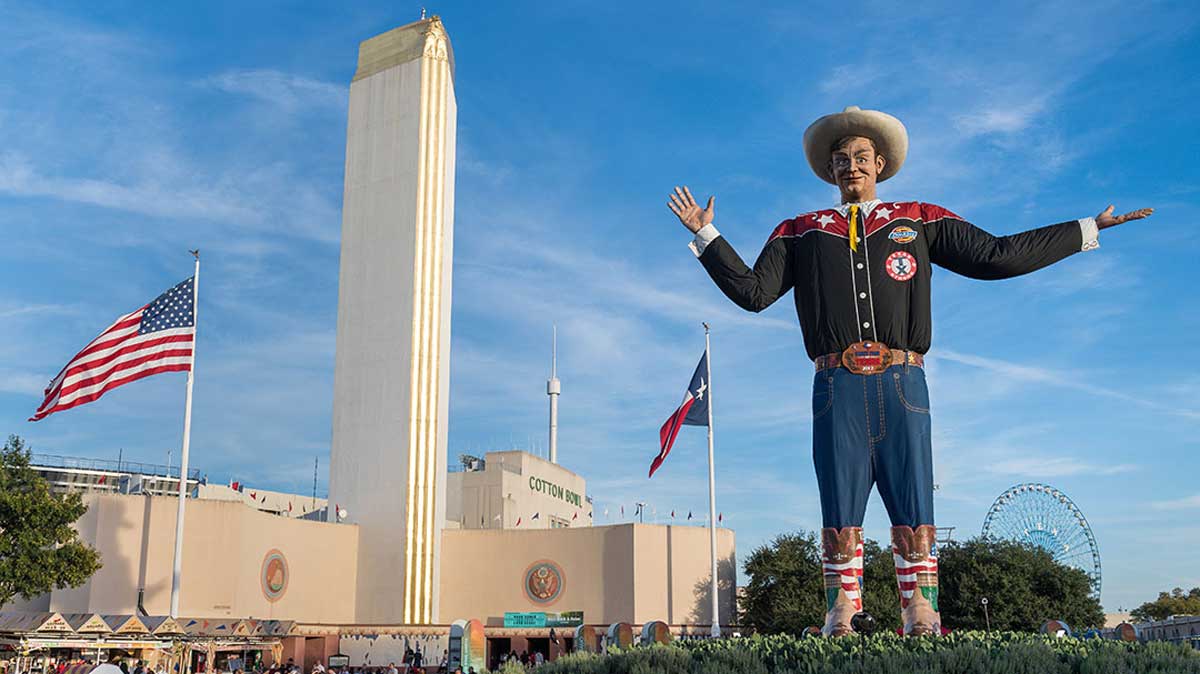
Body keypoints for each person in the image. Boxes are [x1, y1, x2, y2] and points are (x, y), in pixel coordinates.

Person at [668, 105, 1152, 637]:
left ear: (880, 164)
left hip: (904, 380)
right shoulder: (801, 231)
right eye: (840, 160)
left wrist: (1086, 228)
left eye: (860, 157)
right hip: (836, 382)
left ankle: (921, 605)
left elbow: (995, 255)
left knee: (914, 493)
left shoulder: (918, 218)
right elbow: (754, 293)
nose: (850, 166)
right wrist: (707, 235)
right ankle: (842, 607)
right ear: (829, 171)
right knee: (839, 498)